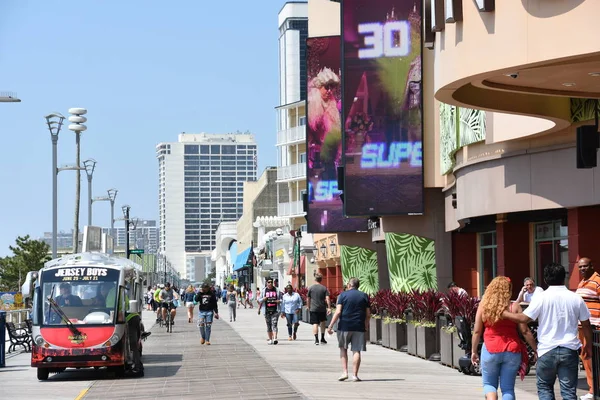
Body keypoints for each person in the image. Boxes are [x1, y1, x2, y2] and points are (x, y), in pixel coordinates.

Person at [503, 263, 593, 400]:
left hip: (547, 349)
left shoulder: (541, 297)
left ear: (545, 280)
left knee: (545, 388)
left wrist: (503, 313)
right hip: (569, 349)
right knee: (569, 392)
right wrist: (588, 345)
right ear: (564, 278)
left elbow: (524, 318)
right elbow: (586, 325)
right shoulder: (575, 298)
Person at [470, 276, 537, 400]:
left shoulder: (484, 306)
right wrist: (535, 349)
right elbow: (525, 331)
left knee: (489, 385)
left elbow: (477, 331)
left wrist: (473, 351)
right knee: (508, 388)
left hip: (491, 348)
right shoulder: (515, 306)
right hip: (512, 350)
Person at [327, 277, 370, 382]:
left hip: (344, 326)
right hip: (359, 326)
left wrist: (330, 325)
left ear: (349, 285)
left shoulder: (342, 295)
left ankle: (345, 372)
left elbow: (338, 312)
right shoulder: (364, 296)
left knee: (343, 348)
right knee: (357, 350)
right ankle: (355, 375)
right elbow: (368, 314)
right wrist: (366, 325)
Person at [576, 257, 600, 400]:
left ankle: (594, 390)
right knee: (587, 358)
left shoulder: (597, 281)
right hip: (582, 328)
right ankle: (593, 389)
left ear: (591, 266)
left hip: (594, 327)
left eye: (585, 266)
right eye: (580, 267)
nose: (582, 269)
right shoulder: (582, 282)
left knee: (593, 359)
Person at [307, 273, 331, 345]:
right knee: (322, 322)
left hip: (313, 308)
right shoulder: (324, 288)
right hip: (322, 308)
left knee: (315, 324)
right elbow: (327, 298)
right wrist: (329, 307)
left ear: (315, 279)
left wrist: (308, 306)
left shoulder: (311, 288)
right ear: (321, 279)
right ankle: (322, 338)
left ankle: (316, 339)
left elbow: (308, 298)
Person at [258, 278, 282, 345]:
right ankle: (270, 339)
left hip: (275, 310)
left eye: (271, 282)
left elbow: (282, 299)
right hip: (266, 310)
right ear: (266, 283)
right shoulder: (263, 291)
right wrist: (263, 299)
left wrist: (279, 301)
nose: (270, 283)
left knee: (274, 324)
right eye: (269, 282)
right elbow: (259, 300)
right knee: (268, 325)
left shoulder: (277, 290)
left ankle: (275, 338)